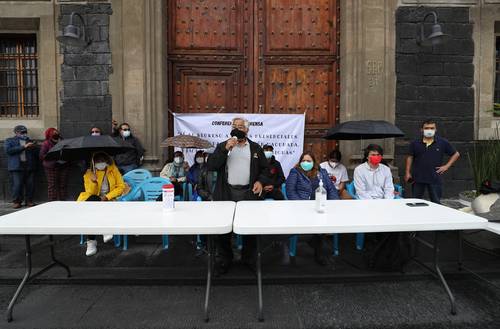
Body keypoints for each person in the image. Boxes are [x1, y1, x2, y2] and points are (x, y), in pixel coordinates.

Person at [207, 117, 270, 274]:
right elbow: (212, 165)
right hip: (226, 192)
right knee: (223, 231)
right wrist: (225, 149)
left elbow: (265, 169)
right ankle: (224, 261)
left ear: (247, 130)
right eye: (234, 126)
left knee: (250, 228)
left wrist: (260, 182)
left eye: (241, 126)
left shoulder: (255, 148)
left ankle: (249, 259)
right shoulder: (224, 146)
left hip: (248, 193)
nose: (237, 128)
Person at [286, 152, 339, 265]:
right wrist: (303, 206)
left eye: (309, 161)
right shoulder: (295, 172)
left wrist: (334, 204)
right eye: (303, 160)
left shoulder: (322, 172)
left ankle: (316, 242)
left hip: (320, 206)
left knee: (324, 220)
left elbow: (331, 189)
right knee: (319, 226)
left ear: (314, 162)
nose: (306, 163)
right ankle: (319, 254)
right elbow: (290, 192)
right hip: (302, 206)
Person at [77, 152, 126, 256]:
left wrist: (107, 197)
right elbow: (90, 192)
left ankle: (91, 240)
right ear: (94, 163)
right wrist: (94, 182)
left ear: (106, 160)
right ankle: (103, 230)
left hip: (109, 199)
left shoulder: (113, 170)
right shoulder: (89, 173)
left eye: (102, 160)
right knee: (93, 202)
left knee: (92, 210)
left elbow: (121, 187)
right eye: (97, 161)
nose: (100, 163)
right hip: (93, 198)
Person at [405, 119, 460, 204]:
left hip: (435, 177)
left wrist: (447, 166)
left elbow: (456, 154)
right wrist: (407, 172)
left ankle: (436, 216)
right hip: (418, 177)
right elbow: (410, 157)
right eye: (426, 128)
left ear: (435, 129)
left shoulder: (442, 142)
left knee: (436, 202)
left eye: (432, 128)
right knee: (415, 201)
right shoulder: (415, 143)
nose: (429, 130)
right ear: (421, 130)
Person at [4, 125, 38, 208]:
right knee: (17, 185)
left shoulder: (29, 141)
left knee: (30, 185)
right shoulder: (10, 141)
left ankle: (29, 200)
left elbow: (35, 154)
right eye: (22, 132)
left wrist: (34, 147)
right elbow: (8, 151)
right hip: (17, 167)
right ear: (16, 133)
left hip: (29, 166)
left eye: (25, 132)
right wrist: (24, 147)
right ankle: (17, 201)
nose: (24, 134)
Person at [39, 128, 70, 201]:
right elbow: (41, 156)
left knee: (63, 185)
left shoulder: (63, 142)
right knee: (52, 185)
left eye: (57, 133)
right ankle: (52, 202)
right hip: (51, 167)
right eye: (53, 133)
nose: (56, 134)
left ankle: (62, 201)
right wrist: (52, 156)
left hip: (63, 165)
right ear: (49, 134)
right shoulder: (46, 143)